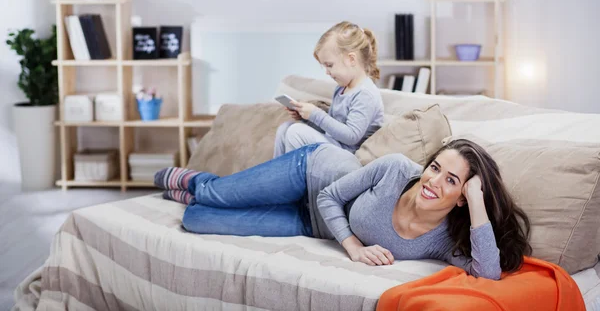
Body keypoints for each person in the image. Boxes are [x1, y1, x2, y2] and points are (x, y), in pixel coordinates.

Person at [154, 139, 531, 280]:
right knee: (214, 198)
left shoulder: (443, 240)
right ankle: (198, 182)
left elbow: (489, 273)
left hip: (310, 225)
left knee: (196, 218)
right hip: (310, 174)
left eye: (452, 181)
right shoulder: (397, 169)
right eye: (435, 168)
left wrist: (479, 199)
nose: (434, 182)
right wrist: (353, 246)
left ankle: (199, 195)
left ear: (463, 195)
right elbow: (328, 197)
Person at [273, 21, 384, 158]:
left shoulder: (365, 93)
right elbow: (331, 129)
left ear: (351, 59)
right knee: (284, 129)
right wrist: (306, 117)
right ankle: (277, 175)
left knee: (295, 132)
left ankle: (292, 177)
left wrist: (315, 114)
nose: (326, 72)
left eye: (329, 65)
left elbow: (352, 136)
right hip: (334, 147)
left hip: (348, 156)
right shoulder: (341, 89)